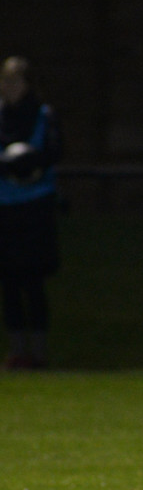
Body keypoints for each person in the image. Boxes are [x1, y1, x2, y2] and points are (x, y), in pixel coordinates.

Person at [0, 56, 63, 370]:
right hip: (6, 206)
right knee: (9, 282)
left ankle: (38, 352)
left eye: (15, 82)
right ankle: (16, 350)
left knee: (33, 281)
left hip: (35, 206)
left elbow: (54, 152)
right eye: (5, 81)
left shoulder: (42, 115)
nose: (9, 88)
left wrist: (30, 161)